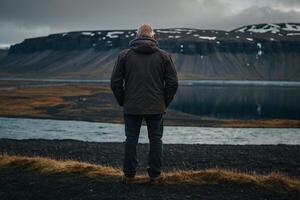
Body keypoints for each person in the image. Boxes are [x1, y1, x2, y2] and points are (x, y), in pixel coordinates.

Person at [110, 24, 178, 183]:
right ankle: (155, 175)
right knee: (155, 139)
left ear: (137, 35)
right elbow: (173, 83)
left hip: (132, 106)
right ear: (153, 36)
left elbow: (115, 82)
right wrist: (164, 102)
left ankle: (128, 175)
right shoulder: (164, 56)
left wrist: (123, 101)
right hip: (156, 107)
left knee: (131, 139)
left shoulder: (124, 55)